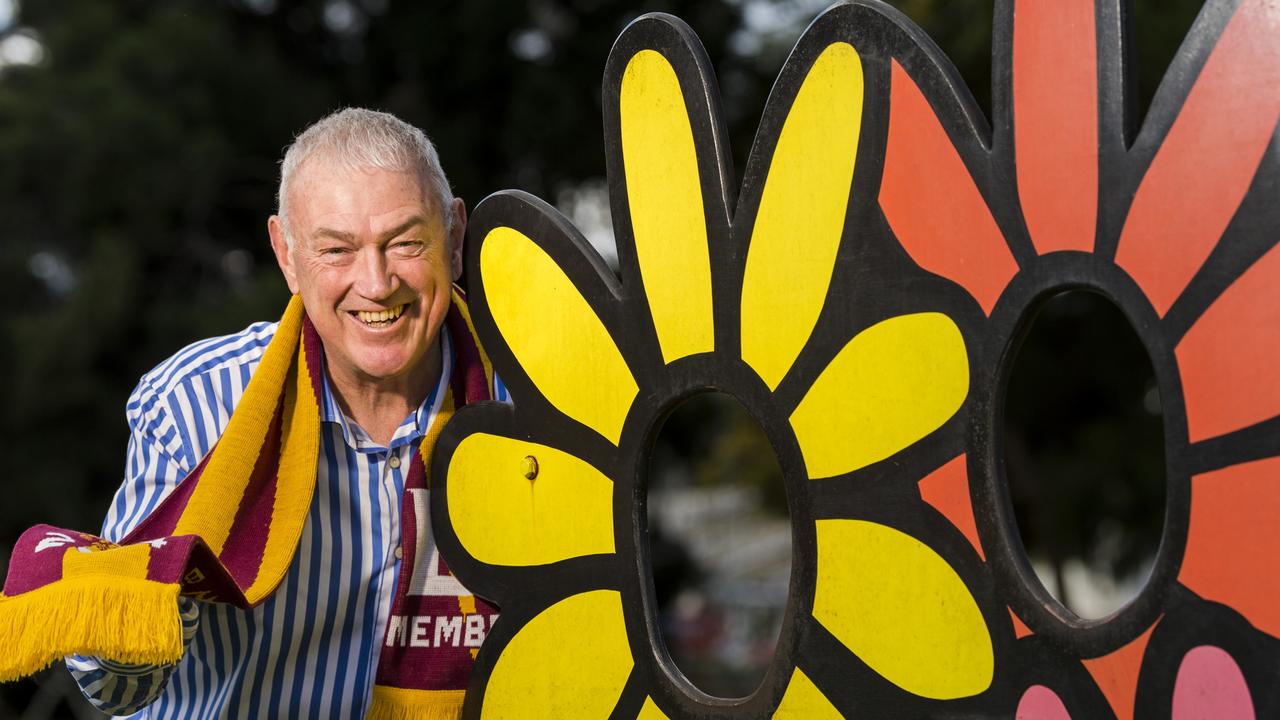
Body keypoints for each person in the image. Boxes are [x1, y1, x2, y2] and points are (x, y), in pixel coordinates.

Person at [66, 108, 505, 718]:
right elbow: (113, 690)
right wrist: (136, 612)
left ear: (454, 238)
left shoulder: (530, 404)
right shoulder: (197, 409)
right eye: (337, 249)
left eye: (405, 243)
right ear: (287, 254)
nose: (375, 283)